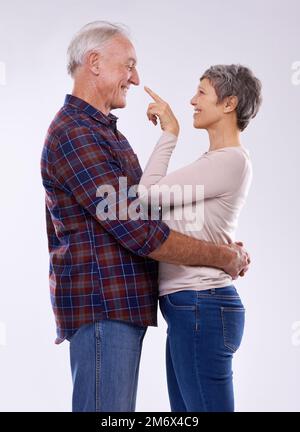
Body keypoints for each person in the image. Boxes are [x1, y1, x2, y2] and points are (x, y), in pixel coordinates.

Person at [40, 21, 250, 412]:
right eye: (129, 66)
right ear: (95, 63)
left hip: (124, 308)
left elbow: (146, 211)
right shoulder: (76, 134)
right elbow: (139, 229)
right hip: (103, 307)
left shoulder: (105, 133)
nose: (135, 79)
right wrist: (222, 256)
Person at [138, 64, 262, 412]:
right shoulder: (216, 163)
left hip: (201, 306)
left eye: (202, 92)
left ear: (229, 103)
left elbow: (146, 195)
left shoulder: (230, 160)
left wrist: (170, 134)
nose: (193, 101)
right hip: (193, 308)